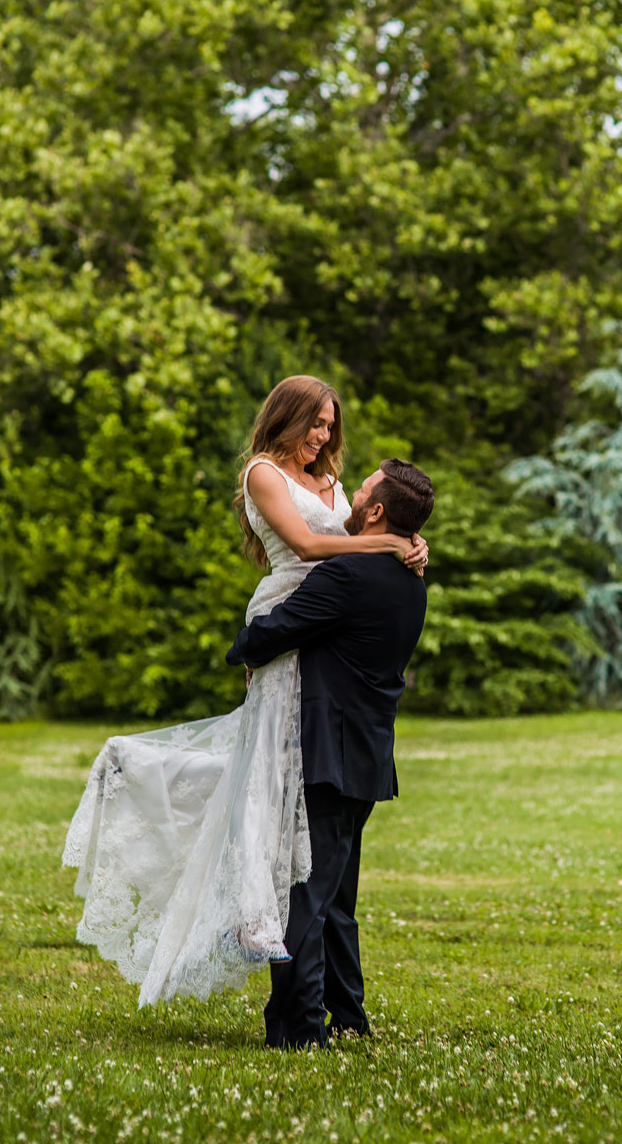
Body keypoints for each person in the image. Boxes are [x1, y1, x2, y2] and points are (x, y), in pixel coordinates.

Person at [62, 376, 428, 1008]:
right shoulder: (264, 473)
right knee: (276, 779)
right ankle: (279, 939)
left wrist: (403, 539)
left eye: (329, 424)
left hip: (328, 617)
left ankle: (314, 978)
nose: (322, 435)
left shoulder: (336, 486)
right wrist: (393, 541)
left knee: (296, 800)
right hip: (295, 605)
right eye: (314, 422)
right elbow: (314, 545)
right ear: (285, 417)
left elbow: (356, 532)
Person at [226, 458, 434, 1048]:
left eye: (361, 488)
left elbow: (270, 633)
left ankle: (299, 1028)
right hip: (368, 754)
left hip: (325, 753)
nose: (348, 490)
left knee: (306, 896)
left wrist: (242, 649)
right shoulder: (410, 578)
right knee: (338, 899)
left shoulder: (346, 577)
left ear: (374, 513)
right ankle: (349, 1015)